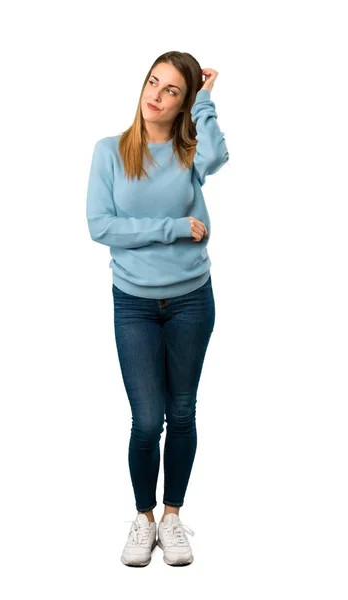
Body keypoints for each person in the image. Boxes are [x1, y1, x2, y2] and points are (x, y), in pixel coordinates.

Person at [86, 51, 229, 567]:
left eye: (172, 90)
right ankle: (142, 518)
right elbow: (101, 227)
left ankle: (172, 518)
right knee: (147, 421)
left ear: (183, 101)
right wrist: (171, 228)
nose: (157, 95)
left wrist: (207, 100)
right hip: (135, 305)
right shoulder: (110, 152)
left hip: (192, 297)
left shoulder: (191, 153)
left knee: (182, 412)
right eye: (153, 82)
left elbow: (217, 156)